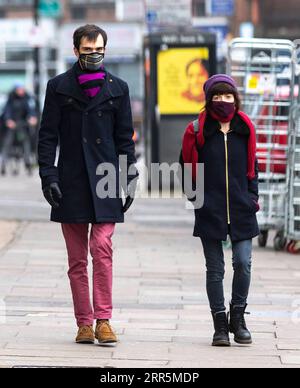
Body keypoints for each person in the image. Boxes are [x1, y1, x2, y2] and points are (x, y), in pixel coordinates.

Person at [38, 24, 138, 345]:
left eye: (99, 50)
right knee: (78, 259)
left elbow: (125, 139)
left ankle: (104, 320)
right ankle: (84, 323)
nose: (94, 55)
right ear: (76, 50)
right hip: (70, 183)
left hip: (107, 180)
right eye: (88, 50)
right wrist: (48, 177)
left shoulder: (118, 88)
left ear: (105, 51)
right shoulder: (59, 87)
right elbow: (47, 137)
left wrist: (129, 177)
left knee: (102, 249)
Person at [180, 74, 260, 347]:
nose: (223, 101)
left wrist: (252, 198)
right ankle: (220, 327)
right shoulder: (197, 131)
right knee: (215, 270)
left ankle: (237, 319)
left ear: (235, 99)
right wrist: (197, 200)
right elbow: (187, 169)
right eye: (217, 96)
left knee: (243, 263)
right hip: (210, 211)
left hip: (242, 209)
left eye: (228, 96)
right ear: (209, 99)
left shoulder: (245, 129)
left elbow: (253, 169)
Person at [1, 83, 37, 175]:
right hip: (12, 125)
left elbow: (30, 110)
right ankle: (4, 163)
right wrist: (8, 120)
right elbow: (7, 111)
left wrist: (32, 117)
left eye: (22, 89)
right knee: (7, 143)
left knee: (26, 144)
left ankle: (28, 162)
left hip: (23, 125)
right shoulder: (11, 99)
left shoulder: (27, 99)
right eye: (19, 90)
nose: (21, 91)